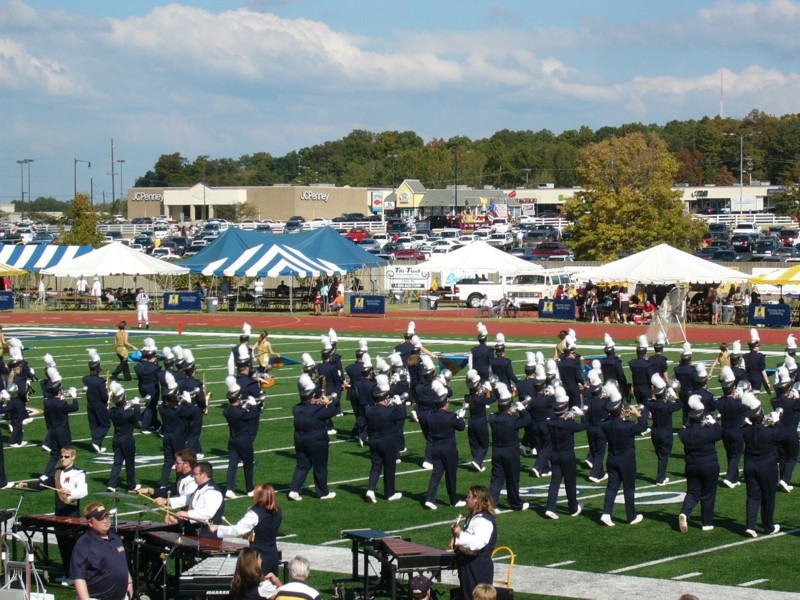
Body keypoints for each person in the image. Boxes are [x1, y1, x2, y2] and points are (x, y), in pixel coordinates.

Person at [18, 446, 88, 585]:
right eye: (62, 456)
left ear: (73, 457)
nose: (63, 459)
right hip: (59, 514)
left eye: (66, 456)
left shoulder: (78, 473)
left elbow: (83, 491)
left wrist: (69, 492)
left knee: (71, 545)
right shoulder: (57, 472)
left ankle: (75, 576)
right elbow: (43, 485)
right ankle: (67, 573)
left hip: (71, 514)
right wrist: (27, 485)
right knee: (62, 544)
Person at [740, 391, 790, 537]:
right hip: (767, 468)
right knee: (768, 497)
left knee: (752, 496)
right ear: (761, 415)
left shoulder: (746, 432)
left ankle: (750, 525)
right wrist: (777, 421)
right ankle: (768, 526)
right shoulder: (770, 432)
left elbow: (746, 427)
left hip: (750, 466)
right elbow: (785, 434)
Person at [600, 384, 649, 526]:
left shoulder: (606, 425)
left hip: (612, 459)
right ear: (621, 411)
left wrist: (621, 416)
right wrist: (638, 414)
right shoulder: (627, 427)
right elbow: (643, 427)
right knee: (628, 488)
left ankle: (606, 513)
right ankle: (631, 516)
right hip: (626, 461)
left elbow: (609, 421)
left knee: (612, 487)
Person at [210, 484, 283, 576]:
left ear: (260, 496)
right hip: (272, 554)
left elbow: (236, 530)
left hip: (258, 557)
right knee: (270, 585)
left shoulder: (254, 513)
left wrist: (218, 528)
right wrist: (248, 535)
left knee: (256, 585)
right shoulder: (278, 511)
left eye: (255, 493)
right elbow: (264, 529)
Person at [288, 374, 337, 501]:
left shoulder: (296, 409)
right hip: (316, 441)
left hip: (300, 440)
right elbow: (331, 412)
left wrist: (318, 402)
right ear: (312, 396)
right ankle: (322, 492)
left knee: (302, 465)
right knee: (320, 467)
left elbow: (309, 406)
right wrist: (328, 403)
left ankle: (294, 490)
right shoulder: (317, 409)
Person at [678, 395, 722, 533]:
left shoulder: (685, 433)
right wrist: (713, 423)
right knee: (708, 494)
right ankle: (707, 523)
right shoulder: (708, 431)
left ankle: (685, 512)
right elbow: (720, 434)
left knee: (692, 492)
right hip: (709, 464)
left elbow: (684, 430)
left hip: (691, 465)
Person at [70, 503, 133, 600]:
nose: (106, 521)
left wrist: (129, 582)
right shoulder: (84, 544)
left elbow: (121, 563)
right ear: (90, 522)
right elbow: (79, 578)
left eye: (107, 517)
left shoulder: (115, 537)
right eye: (100, 519)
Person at [422, 379, 466, 510]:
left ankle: (430, 499)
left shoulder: (430, 415)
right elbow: (461, 427)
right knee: (451, 475)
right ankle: (454, 500)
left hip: (435, 448)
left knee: (436, 474)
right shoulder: (451, 416)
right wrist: (460, 417)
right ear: (445, 404)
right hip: (449, 449)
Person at [544, 387, 588, 519]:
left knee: (555, 482)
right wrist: (581, 415)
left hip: (555, 454)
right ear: (564, 412)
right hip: (567, 455)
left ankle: (550, 508)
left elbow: (556, 420)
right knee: (570, 482)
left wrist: (568, 417)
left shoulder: (550, 423)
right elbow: (585, 426)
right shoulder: (568, 425)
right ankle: (573, 508)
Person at [488, 383, 530, 511]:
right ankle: (516, 503)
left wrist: (509, 410)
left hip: (497, 451)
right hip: (510, 452)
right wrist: (522, 409)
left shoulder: (493, 418)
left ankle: (491, 505)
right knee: (512, 479)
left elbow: (497, 414)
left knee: (497, 479)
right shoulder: (513, 420)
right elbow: (528, 421)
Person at [364, 374, 406, 502]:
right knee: (389, 466)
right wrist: (399, 404)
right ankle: (389, 493)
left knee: (376, 465)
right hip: (387, 441)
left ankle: (371, 489)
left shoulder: (369, 410)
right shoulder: (389, 411)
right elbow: (401, 416)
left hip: (373, 440)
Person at [452, 485, 497, 600]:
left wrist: (459, 535)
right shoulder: (475, 517)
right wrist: (456, 540)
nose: (466, 499)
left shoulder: (483, 520)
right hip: (470, 566)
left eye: (469, 497)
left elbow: (477, 543)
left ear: (477, 499)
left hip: (477, 568)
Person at [165, 460, 225, 538]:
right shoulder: (200, 488)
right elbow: (192, 505)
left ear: (203, 475)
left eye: (195, 474)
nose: (193, 476)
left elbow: (207, 513)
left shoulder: (213, 492)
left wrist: (187, 514)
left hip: (208, 535)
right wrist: (177, 521)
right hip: (197, 531)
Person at [223, 376, 259, 499]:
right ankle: (249, 489)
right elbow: (254, 415)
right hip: (244, 441)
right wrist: (253, 405)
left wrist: (244, 406)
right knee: (248, 465)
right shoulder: (241, 412)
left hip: (232, 440)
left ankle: (229, 488)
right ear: (238, 398)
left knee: (232, 465)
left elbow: (237, 410)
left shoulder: (226, 411)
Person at [106, 382, 141, 492]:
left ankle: (112, 484)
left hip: (116, 438)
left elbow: (117, 410)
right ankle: (131, 484)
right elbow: (138, 419)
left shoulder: (112, 412)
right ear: (124, 400)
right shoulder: (128, 413)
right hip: (127, 440)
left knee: (117, 462)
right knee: (130, 463)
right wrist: (136, 405)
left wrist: (127, 406)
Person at [83, 349, 110, 453]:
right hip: (99, 404)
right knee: (105, 424)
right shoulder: (100, 381)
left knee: (94, 424)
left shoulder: (86, 379)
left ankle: (97, 445)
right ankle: (96, 441)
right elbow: (104, 397)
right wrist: (108, 396)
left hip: (90, 404)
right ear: (98, 369)